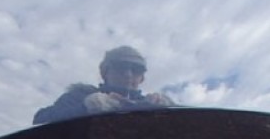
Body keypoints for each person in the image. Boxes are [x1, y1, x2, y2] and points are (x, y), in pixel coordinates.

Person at [33, 46, 174, 125]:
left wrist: (172, 110)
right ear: (104, 71)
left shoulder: (152, 106)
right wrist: (85, 108)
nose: (128, 74)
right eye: (121, 66)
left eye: (136, 69)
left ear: (142, 77)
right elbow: (39, 122)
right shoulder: (79, 97)